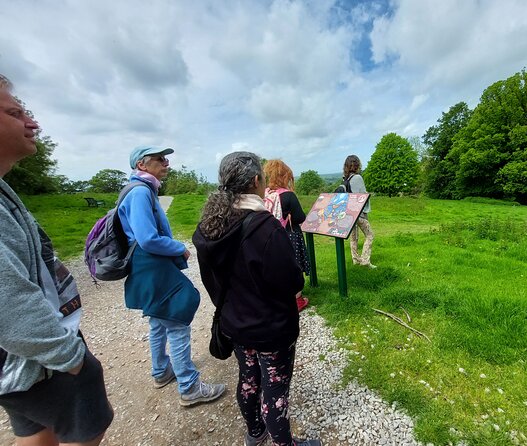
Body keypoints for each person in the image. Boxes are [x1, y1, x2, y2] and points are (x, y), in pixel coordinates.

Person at [0, 74, 114, 445]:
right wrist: (72, 358)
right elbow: (8, 300)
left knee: (36, 429)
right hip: (43, 358)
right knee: (84, 432)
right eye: (16, 113)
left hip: (22, 363)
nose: (33, 123)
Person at [193, 151, 321, 446]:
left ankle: (255, 433)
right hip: (271, 327)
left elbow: (209, 279)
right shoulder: (263, 227)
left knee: (248, 380)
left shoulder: (210, 226)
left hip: (236, 324)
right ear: (255, 180)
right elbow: (291, 281)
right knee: (275, 388)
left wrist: (229, 308)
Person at [119, 145, 226, 405]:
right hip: (152, 264)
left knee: (158, 318)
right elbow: (147, 238)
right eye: (160, 159)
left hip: (145, 265)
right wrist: (178, 248)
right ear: (142, 165)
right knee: (177, 318)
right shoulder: (141, 193)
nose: (166, 162)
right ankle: (189, 387)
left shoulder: (139, 190)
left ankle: (161, 371)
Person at [263, 159, 311, 312]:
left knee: (278, 267)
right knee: (294, 267)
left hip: (270, 237)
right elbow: (300, 218)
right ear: (284, 176)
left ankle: (279, 298)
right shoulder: (288, 196)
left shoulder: (265, 194)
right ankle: (297, 300)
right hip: (290, 236)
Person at [343, 155, 376, 268]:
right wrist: (368, 194)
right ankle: (365, 261)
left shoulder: (346, 179)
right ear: (357, 165)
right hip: (359, 214)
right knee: (370, 235)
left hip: (349, 214)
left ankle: (356, 259)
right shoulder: (357, 178)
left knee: (353, 237)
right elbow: (362, 197)